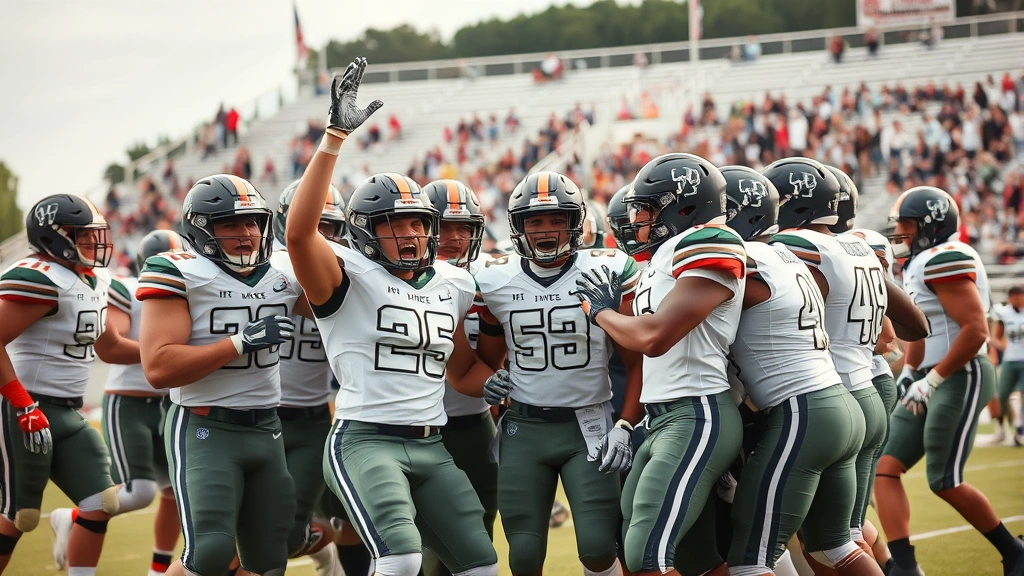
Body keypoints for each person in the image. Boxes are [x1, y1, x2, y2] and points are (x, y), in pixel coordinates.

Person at [284, 57, 503, 576]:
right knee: (401, 560)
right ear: (364, 232)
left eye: (417, 223)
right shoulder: (345, 275)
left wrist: (507, 382)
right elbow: (298, 233)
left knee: (480, 565)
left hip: (432, 442)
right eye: (393, 224)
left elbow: (465, 372)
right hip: (366, 440)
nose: (409, 234)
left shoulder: (452, 284)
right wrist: (334, 138)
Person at [576, 153, 746, 576]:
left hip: (696, 410)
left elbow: (652, 337)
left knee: (646, 555)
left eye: (646, 209)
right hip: (662, 416)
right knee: (688, 557)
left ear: (682, 206)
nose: (637, 220)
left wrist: (602, 313)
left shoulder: (708, 240)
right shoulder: (661, 257)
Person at [474, 171, 644, 576]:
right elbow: (486, 358)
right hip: (524, 427)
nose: (546, 230)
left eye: (556, 219)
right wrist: (490, 379)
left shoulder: (607, 268)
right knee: (524, 556)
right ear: (518, 227)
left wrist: (625, 422)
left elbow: (636, 361)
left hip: (589, 422)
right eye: (535, 221)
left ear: (575, 222)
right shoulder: (495, 279)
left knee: (600, 549)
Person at [137, 174, 307, 576]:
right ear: (202, 230)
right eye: (231, 223)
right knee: (210, 553)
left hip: (267, 427)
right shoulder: (181, 270)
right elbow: (158, 367)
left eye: (253, 222)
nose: (247, 233)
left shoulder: (283, 274)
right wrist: (239, 342)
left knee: (269, 559)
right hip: (204, 426)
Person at [721, 165, 882, 575]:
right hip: (841, 402)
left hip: (802, 411)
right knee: (835, 546)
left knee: (749, 561)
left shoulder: (748, 256)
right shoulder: (785, 252)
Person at [768, 159, 929, 559]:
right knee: (841, 534)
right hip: (869, 387)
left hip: (833, 392)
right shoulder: (858, 246)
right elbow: (914, 327)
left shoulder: (797, 247)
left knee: (831, 539)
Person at [878, 186, 1024, 576]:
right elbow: (922, 330)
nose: (900, 234)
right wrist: (911, 372)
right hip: (931, 374)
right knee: (884, 467)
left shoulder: (946, 258)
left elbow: (975, 330)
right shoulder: (919, 262)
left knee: (943, 479)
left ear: (929, 225)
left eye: (907, 226)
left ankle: (1014, 552)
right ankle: (904, 567)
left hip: (962, 373)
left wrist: (934, 378)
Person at [48, 230, 186, 576]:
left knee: (175, 493)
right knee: (139, 493)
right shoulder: (129, 288)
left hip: (168, 404)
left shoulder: (190, 291)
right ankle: (74, 517)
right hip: (129, 403)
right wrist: (163, 353)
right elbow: (113, 344)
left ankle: (158, 570)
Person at [0, 194, 117, 574]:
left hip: (68, 411)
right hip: (26, 408)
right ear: (54, 237)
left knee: (101, 501)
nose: (93, 242)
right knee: (21, 515)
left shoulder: (92, 281)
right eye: (83, 234)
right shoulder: (41, 278)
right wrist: (22, 402)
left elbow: (110, 346)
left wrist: (167, 356)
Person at [271, 180, 351, 575]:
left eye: (330, 227)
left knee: (282, 533)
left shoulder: (350, 274)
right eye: (312, 224)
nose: (321, 236)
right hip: (255, 415)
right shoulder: (261, 270)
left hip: (313, 418)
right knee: (231, 532)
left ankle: (320, 543)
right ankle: (322, 548)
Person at [418, 179, 495, 576]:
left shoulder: (496, 277)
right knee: (419, 548)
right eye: (443, 227)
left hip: (475, 425)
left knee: (477, 543)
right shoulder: (393, 280)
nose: (454, 237)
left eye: (463, 227)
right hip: (414, 430)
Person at [992, 286, 1024, 445]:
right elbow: (995, 337)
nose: (1015, 300)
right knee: (1002, 394)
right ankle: (1009, 427)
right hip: (1010, 359)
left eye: (1018, 296)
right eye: (1012, 297)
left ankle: (1020, 430)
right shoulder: (1004, 313)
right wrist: (1003, 347)